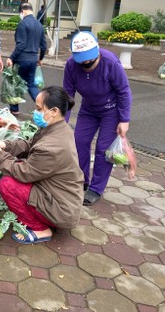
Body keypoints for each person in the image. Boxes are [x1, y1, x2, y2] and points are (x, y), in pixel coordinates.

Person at [0, 86, 83, 243]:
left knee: (7, 184)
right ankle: (44, 216)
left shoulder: (52, 146)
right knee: (16, 166)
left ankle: (40, 230)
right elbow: (30, 145)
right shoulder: (57, 128)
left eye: (39, 108)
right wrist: (4, 145)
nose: (35, 112)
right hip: (60, 197)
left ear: (54, 111)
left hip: (61, 209)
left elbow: (24, 173)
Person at [63, 31, 132, 206]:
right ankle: (81, 179)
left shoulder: (111, 63)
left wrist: (124, 119)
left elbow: (124, 91)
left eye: (90, 60)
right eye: (82, 61)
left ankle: (96, 188)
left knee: (103, 150)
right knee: (79, 142)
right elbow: (68, 94)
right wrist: (61, 121)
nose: (86, 63)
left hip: (111, 111)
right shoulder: (71, 65)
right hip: (89, 109)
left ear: (97, 52)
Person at [6, 2, 47, 115]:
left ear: (23, 11)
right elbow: (44, 46)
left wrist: (11, 58)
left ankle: (14, 110)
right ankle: (43, 108)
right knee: (31, 84)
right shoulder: (39, 25)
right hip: (33, 60)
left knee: (15, 84)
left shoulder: (22, 24)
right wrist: (40, 58)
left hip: (21, 60)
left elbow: (21, 45)